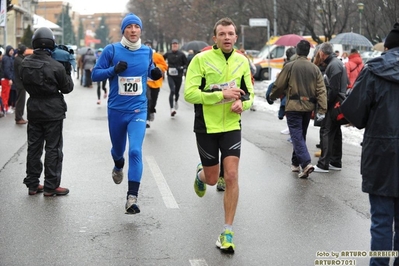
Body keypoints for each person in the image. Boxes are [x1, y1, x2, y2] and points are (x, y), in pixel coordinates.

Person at [184, 17, 254, 253]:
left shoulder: (242, 61)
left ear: (236, 37)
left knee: (232, 175)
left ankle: (227, 232)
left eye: (230, 34)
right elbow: (190, 94)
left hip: (232, 126)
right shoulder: (200, 60)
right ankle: (201, 175)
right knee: (213, 179)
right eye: (222, 34)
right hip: (206, 127)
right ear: (214, 38)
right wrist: (221, 95)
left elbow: (249, 95)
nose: (227, 37)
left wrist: (242, 104)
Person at [340, 22, 399, 266]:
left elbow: (355, 113)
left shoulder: (374, 70)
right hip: (382, 152)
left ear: (387, 47)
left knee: (382, 220)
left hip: (381, 153)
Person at [91, 13, 162, 214]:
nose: (133, 30)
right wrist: (113, 70)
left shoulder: (147, 51)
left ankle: (132, 198)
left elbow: (149, 69)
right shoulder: (111, 50)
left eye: (136, 27)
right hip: (116, 110)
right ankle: (118, 165)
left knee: (135, 151)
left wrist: (154, 72)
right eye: (129, 27)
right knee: (118, 151)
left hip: (138, 109)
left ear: (140, 30)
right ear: (123, 30)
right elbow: (95, 74)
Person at [20, 27, 74, 196]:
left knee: (34, 147)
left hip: (34, 108)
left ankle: (32, 184)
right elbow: (67, 88)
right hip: (53, 111)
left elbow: (23, 82)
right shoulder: (56, 66)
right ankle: (51, 186)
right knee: (53, 148)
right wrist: (67, 70)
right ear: (52, 43)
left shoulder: (24, 63)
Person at [270, 40, 327, 178]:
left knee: (296, 135)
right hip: (308, 107)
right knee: (300, 135)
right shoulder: (314, 69)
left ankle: (305, 163)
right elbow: (321, 90)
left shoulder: (290, 66)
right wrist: (322, 109)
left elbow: (279, 85)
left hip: (293, 106)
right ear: (308, 52)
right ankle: (295, 164)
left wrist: (272, 96)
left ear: (297, 50)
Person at [313, 42, 348, 173]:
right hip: (337, 103)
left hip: (333, 104)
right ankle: (335, 161)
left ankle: (324, 164)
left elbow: (333, 89)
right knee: (335, 133)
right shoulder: (336, 63)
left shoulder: (333, 65)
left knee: (326, 131)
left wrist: (324, 104)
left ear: (322, 53)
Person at [144, 40, 168, 128]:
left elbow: (165, 66)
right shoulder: (142, 56)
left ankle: (151, 111)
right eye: (146, 45)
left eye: (149, 45)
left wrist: (156, 67)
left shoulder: (157, 56)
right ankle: (147, 120)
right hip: (146, 82)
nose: (148, 47)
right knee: (147, 99)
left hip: (156, 82)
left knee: (153, 101)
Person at [163, 38, 187, 117]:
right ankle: (172, 109)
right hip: (170, 75)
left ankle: (176, 100)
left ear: (178, 45)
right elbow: (162, 60)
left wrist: (182, 68)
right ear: (171, 46)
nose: (174, 46)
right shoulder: (168, 53)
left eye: (176, 45)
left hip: (179, 76)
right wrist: (164, 66)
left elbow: (186, 64)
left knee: (176, 92)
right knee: (172, 90)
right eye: (173, 45)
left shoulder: (182, 54)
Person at [13, 45, 28, 124]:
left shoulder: (19, 58)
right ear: (22, 51)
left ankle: (19, 116)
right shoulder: (19, 60)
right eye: (25, 50)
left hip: (20, 83)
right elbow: (21, 72)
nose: (26, 51)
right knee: (20, 101)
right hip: (20, 83)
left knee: (20, 100)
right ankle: (19, 118)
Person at [1, 45, 14, 114]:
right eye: (10, 50)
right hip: (6, 79)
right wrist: (10, 78)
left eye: (12, 50)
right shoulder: (7, 59)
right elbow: (7, 70)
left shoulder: (8, 58)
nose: (12, 52)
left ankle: (4, 108)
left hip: (6, 79)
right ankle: (4, 108)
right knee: (5, 94)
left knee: (6, 94)